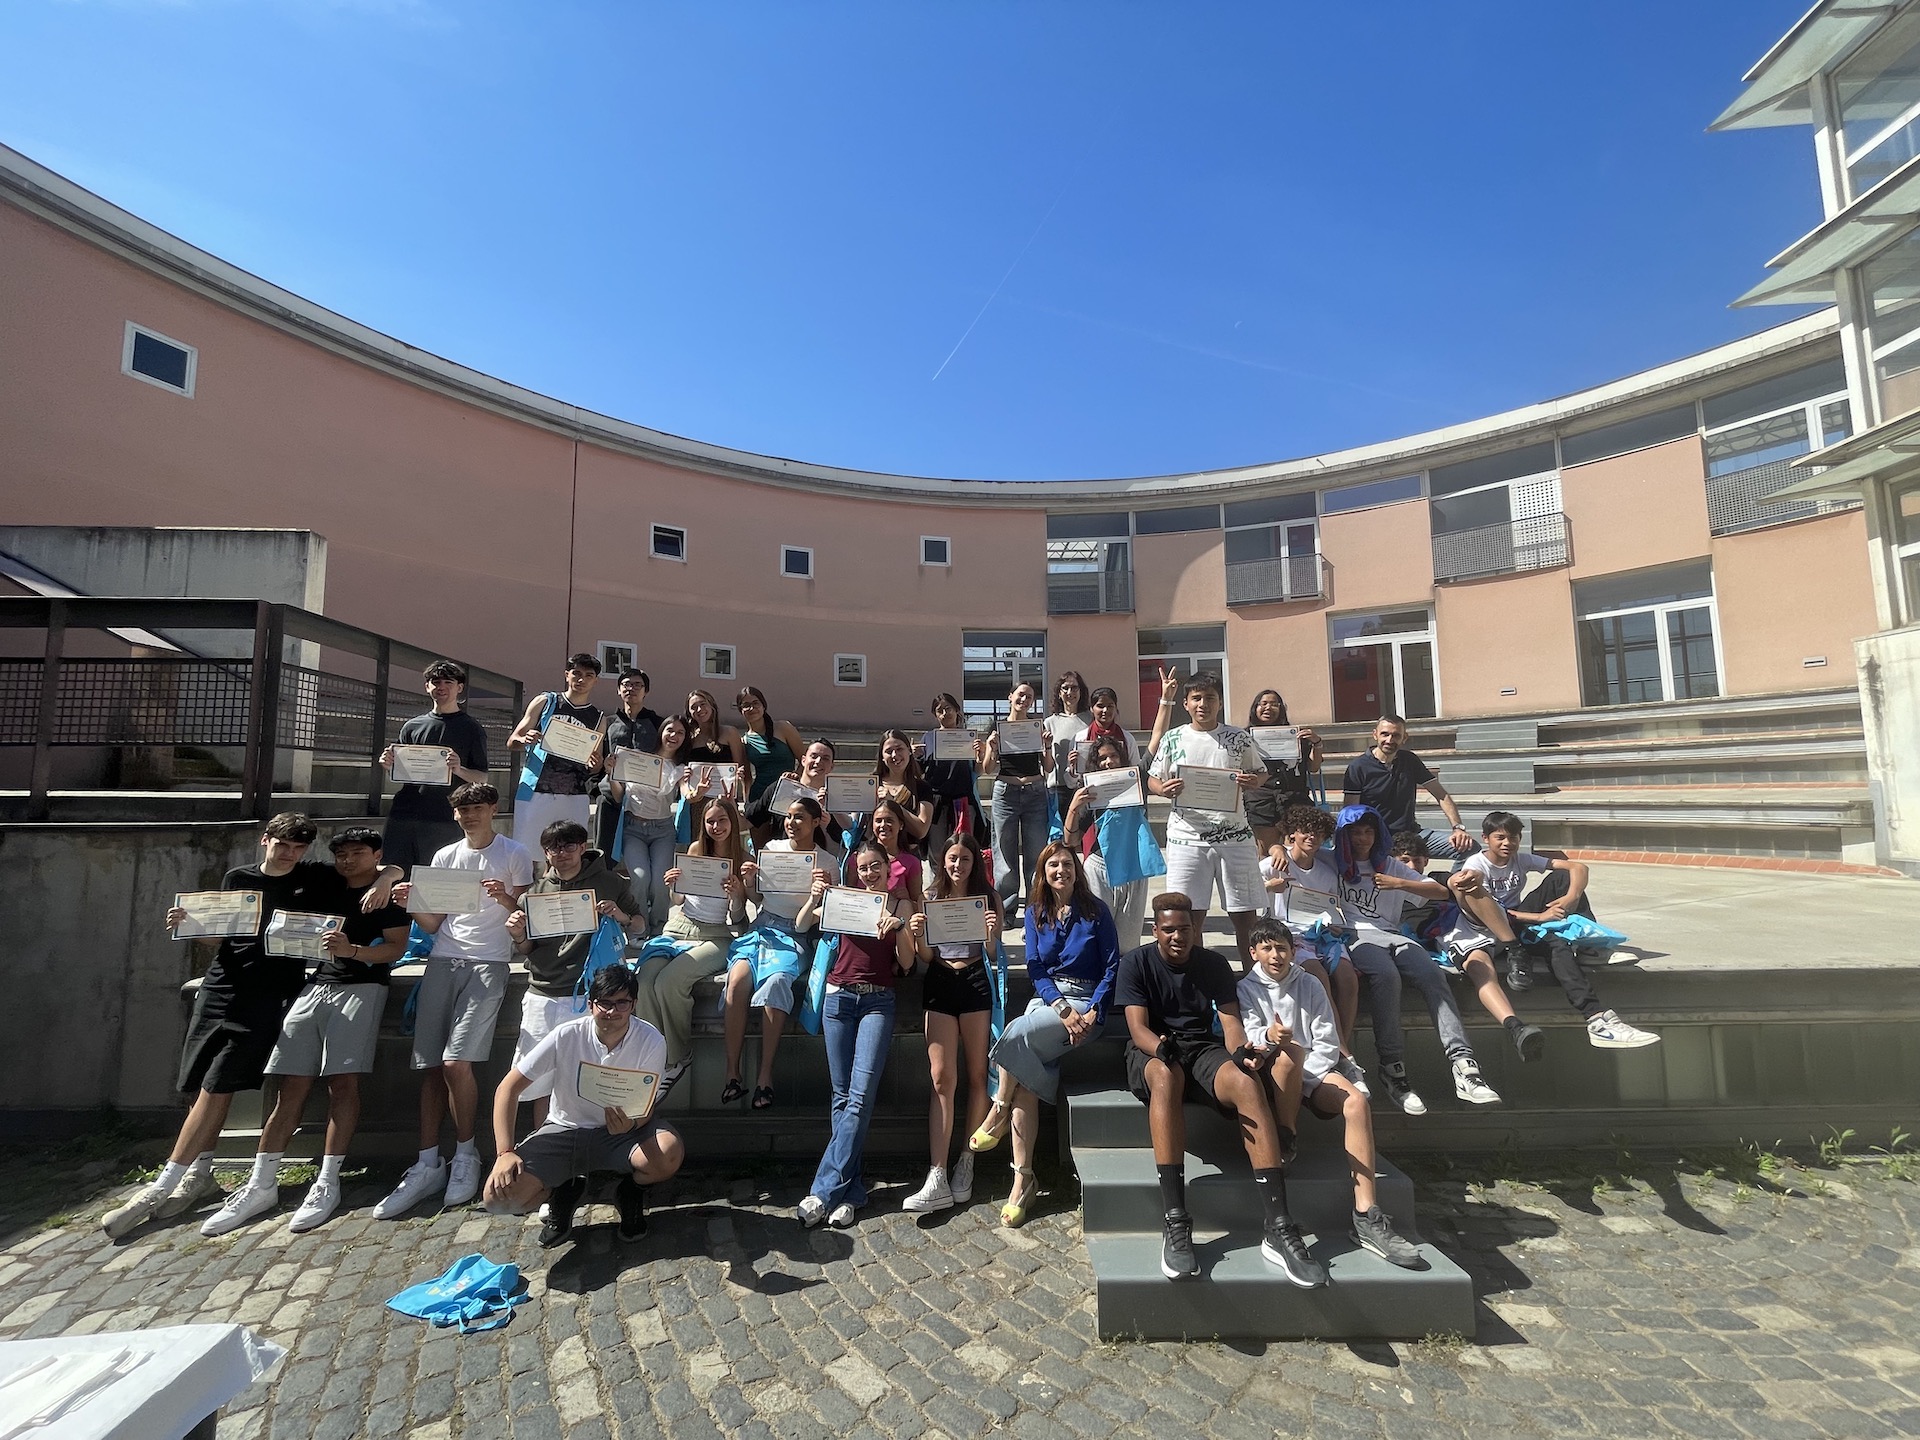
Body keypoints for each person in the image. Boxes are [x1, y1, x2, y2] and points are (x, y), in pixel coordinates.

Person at [106, 814, 400, 1240]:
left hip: (273, 993)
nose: (290, 853)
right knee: (200, 1085)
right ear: (265, 840)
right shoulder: (238, 877)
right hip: (223, 985)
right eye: (283, 844)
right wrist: (190, 926)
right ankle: (203, 1174)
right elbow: (224, 935)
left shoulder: (315, 877)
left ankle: (164, 1185)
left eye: (298, 847)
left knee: (221, 1086)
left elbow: (381, 870)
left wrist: (387, 879)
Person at [197, 827, 412, 1237]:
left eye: (358, 853)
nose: (348, 860)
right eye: (342, 854)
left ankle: (327, 1181)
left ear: (376, 855)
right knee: (290, 1084)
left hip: (362, 987)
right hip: (314, 985)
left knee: (342, 1082)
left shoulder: (387, 896)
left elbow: (396, 948)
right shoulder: (325, 882)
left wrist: (355, 947)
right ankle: (261, 1183)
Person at [1116, 893, 1328, 1287]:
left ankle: (1278, 1225)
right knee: (1165, 1076)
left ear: (1194, 928)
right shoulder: (1136, 963)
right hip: (1153, 1052)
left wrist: (1241, 1054)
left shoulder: (1213, 964)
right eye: (1169, 929)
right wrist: (1161, 1050)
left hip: (1201, 1048)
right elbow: (1138, 1029)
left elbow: (1231, 1024)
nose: (1177, 936)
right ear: (1155, 930)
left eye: (1184, 928)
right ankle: (1176, 1220)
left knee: (1246, 1082)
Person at [373, 783, 535, 1219]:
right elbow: (433, 923)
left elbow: (526, 911)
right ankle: (428, 1162)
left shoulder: (515, 852)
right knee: (430, 1067)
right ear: (454, 815)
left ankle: (466, 1154)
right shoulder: (445, 855)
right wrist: (410, 904)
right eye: (462, 811)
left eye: (477, 808)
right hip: (443, 960)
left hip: (489, 962)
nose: (469, 816)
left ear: (493, 809)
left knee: (455, 1063)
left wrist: (504, 897)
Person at [1235, 921, 1426, 1268]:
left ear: (1293, 951)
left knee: (1356, 1101)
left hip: (1314, 1072)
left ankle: (1366, 1214)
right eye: (1267, 948)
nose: (1275, 956)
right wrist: (1270, 1037)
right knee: (1288, 1055)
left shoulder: (1310, 983)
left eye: (1282, 948)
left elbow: (1327, 1039)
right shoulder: (1247, 988)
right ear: (1253, 953)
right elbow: (1250, 1035)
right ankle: (1286, 1136)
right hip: (1273, 1075)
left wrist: (1307, 1077)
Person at [482, 964, 684, 1248]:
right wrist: (504, 1152)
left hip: (622, 1134)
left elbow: (646, 1106)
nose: (613, 1011)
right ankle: (561, 1193)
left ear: (634, 1005)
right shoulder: (566, 1034)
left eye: (622, 1003)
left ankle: (629, 1192)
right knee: (498, 1197)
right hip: (565, 1128)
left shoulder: (651, 1040)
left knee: (668, 1154)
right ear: (590, 1005)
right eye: (605, 1003)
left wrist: (631, 1124)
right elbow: (507, 1088)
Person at [974, 841, 1120, 1227]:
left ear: (1077, 870)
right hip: (1049, 1001)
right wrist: (1060, 1007)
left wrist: (1092, 1010)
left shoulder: (1096, 911)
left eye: (1067, 864)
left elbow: (1111, 966)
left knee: (1013, 1032)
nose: (1061, 871)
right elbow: (1035, 967)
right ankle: (1022, 1180)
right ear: (1043, 872)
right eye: (1053, 865)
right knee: (1025, 1083)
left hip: (1086, 1003)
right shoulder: (1035, 912)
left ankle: (998, 1109)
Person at [1330, 807, 1504, 1112]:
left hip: (1393, 933)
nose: (1362, 838)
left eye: (1368, 832)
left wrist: (1399, 884)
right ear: (1345, 834)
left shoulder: (1389, 865)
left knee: (1432, 974)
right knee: (1387, 976)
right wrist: (1277, 848)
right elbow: (1296, 855)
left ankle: (1464, 1064)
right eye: (1356, 832)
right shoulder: (1332, 860)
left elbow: (1439, 892)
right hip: (1354, 934)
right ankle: (1393, 1068)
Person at [1447, 812, 1660, 1050]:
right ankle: (1596, 1017)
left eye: (1514, 837)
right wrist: (1540, 917)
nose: (1508, 843)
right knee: (1556, 945)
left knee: (1562, 877)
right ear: (1485, 838)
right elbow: (1490, 913)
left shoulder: (1521, 859)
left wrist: (1571, 897)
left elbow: (1578, 867)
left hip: (1517, 917)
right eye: (1500, 837)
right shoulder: (1476, 866)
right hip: (1494, 926)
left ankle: (1590, 950)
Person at [796, 841, 914, 1229]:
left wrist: (898, 928)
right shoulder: (842, 899)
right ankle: (851, 1191)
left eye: (875, 866)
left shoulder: (899, 906)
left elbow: (907, 962)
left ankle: (822, 1191)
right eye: (863, 868)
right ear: (855, 872)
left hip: (878, 1001)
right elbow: (802, 924)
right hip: (838, 999)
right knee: (842, 1097)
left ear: (888, 867)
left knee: (860, 1096)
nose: (869, 873)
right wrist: (814, 899)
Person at [505, 820, 642, 1127]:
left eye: (569, 845)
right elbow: (527, 949)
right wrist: (517, 934)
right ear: (545, 853)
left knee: (589, 1081)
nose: (562, 853)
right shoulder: (533, 894)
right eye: (553, 847)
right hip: (543, 994)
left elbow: (639, 924)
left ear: (582, 847)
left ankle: (588, 1147)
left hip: (590, 999)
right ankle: (544, 1143)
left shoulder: (610, 882)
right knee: (540, 1082)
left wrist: (620, 915)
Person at [902, 833, 1003, 1215]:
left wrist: (992, 933)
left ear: (975, 863)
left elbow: (991, 951)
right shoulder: (929, 897)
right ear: (942, 861)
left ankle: (967, 1159)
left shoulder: (988, 898)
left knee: (977, 1075)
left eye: (965, 859)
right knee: (942, 1078)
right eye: (952, 858)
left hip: (976, 980)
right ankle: (937, 1172)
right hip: (941, 981)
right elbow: (927, 957)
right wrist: (917, 935)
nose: (958, 865)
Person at [720, 796, 834, 1109]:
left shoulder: (827, 862)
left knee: (776, 983)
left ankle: (764, 1075)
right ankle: (732, 1073)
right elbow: (758, 898)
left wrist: (819, 895)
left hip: (796, 934)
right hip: (762, 927)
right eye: (788, 816)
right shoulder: (771, 848)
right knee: (736, 981)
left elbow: (826, 914)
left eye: (800, 817)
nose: (791, 823)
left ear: (815, 822)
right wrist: (750, 881)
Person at [1146, 672, 1266, 968]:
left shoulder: (1238, 738)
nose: (1203, 704)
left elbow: (1261, 772)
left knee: (1245, 917)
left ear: (1220, 703)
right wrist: (1163, 789)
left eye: (1210, 698)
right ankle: (1197, 982)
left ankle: (1253, 982)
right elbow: (1152, 779)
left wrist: (1254, 781)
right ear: (1186, 704)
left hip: (1235, 839)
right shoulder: (1173, 738)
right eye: (1196, 698)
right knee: (1189, 918)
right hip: (1187, 839)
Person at [637, 794, 753, 1095]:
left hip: (717, 935)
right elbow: (679, 900)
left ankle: (677, 1056)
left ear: (733, 822)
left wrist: (737, 895)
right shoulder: (694, 850)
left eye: (722, 820)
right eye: (710, 821)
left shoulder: (742, 858)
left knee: (669, 982)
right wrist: (673, 885)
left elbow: (738, 919)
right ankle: (654, 1054)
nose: (716, 826)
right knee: (645, 980)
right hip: (679, 928)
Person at [1260, 806, 1361, 1072]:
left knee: (1348, 978)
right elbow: (1245, 897)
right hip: (1290, 936)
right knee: (1318, 976)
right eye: (1305, 831)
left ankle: (1339, 1051)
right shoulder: (1273, 864)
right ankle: (1344, 1054)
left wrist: (1335, 926)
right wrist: (1269, 887)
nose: (1312, 837)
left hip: (1322, 936)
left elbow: (1331, 909)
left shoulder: (1326, 873)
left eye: (1318, 833)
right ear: (1292, 834)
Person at [381, 660, 492, 872]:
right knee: (394, 873)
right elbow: (400, 773)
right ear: (427, 687)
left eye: (448, 682)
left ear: (459, 688)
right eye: (436, 682)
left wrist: (459, 769)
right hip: (404, 815)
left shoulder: (471, 728)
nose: (441, 687)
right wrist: (389, 765)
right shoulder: (412, 726)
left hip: (443, 817)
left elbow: (482, 778)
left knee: (435, 877)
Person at [1341, 714, 1476, 863]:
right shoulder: (1358, 767)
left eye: (1396, 735)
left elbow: (1441, 795)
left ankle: (1448, 879)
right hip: (1377, 840)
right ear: (1375, 735)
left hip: (1411, 835)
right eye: (1385, 734)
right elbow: (1351, 812)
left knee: (1468, 847)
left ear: (1404, 738)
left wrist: (1458, 828)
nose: (1389, 740)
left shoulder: (1410, 760)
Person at [1063, 733, 1157, 945]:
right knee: (1097, 938)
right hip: (1100, 868)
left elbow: (1155, 740)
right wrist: (1074, 808)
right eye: (1102, 758)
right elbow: (1070, 841)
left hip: (1134, 869)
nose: (1108, 761)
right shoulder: (1092, 791)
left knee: (1128, 943)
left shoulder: (1137, 780)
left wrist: (1165, 709)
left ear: (1122, 757)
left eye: (1113, 755)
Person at [606, 712, 692, 937]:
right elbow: (618, 795)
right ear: (661, 732)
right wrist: (612, 773)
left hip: (662, 830)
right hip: (633, 828)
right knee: (640, 878)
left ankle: (659, 927)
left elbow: (687, 793)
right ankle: (639, 927)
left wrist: (696, 792)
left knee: (661, 882)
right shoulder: (638, 759)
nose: (674, 736)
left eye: (680, 732)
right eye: (670, 730)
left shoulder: (680, 768)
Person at [508, 653, 606, 848]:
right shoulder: (546, 701)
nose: (581, 680)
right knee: (527, 851)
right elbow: (512, 741)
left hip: (574, 794)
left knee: (570, 852)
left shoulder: (598, 717)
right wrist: (525, 739)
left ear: (595, 680)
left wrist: (596, 763)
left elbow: (595, 765)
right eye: (576, 673)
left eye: (588, 675)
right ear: (566, 674)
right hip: (535, 790)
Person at [981, 681, 1051, 923]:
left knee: (1036, 854)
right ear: (1010, 697)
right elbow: (988, 768)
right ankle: (1006, 911)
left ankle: (1035, 910)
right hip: (1005, 793)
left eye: (1029, 697)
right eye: (1021, 695)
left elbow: (1048, 767)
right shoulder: (997, 727)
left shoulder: (1037, 727)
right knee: (1004, 855)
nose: (1024, 700)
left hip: (1035, 792)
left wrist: (1047, 747)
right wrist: (992, 747)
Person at [1242, 688, 1322, 855]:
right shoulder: (1243, 738)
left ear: (1281, 709)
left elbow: (1313, 767)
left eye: (1274, 704)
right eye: (1263, 704)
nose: (1268, 708)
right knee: (1266, 853)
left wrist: (1317, 743)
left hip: (1294, 799)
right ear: (1255, 708)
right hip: (1261, 801)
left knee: (1297, 853)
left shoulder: (1296, 736)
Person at [595, 668, 664, 856]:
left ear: (646, 691)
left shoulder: (658, 724)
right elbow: (597, 759)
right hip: (611, 793)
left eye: (637, 685)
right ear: (618, 690)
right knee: (604, 850)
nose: (631, 689)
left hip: (645, 795)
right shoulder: (607, 723)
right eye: (626, 684)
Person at [917, 692, 987, 858]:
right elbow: (920, 772)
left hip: (963, 801)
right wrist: (915, 757)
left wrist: (981, 755)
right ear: (935, 714)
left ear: (957, 710)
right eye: (939, 710)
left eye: (948, 708)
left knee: (963, 849)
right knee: (937, 852)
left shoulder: (968, 738)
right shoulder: (928, 738)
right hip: (936, 802)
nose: (944, 713)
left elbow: (978, 771)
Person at [736, 685, 807, 846]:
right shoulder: (744, 742)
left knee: (789, 846)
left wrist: (795, 778)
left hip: (787, 796)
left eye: (755, 703)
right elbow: (746, 778)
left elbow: (804, 760)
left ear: (764, 705)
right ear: (741, 710)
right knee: (763, 850)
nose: (751, 708)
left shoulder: (783, 728)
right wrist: (748, 806)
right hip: (759, 798)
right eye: (746, 705)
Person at [1043, 670, 1092, 826]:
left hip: (1086, 785)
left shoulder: (1091, 719)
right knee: (1062, 835)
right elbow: (1047, 762)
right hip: (1059, 789)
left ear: (1081, 691)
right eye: (1065, 688)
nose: (1070, 692)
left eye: (1074, 688)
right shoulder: (1049, 723)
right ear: (1059, 693)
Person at [872, 730, 934, 852]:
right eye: (888, 751)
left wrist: (893, 804)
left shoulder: (922, 787)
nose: (894, 755)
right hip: (876, 855)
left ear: (909, 751)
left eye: (899, 749)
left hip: (908, 856)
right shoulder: (872, 783)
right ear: (882, 757)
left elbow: (921, 830)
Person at [864, 798, 926, 911]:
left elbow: (919, 907)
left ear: (901, 825)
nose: (883, 825)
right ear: (872, 825)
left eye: (889, 820)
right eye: (878, 821)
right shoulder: (858, 859)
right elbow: (848, 897)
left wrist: (907, 899)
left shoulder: (911, 863)